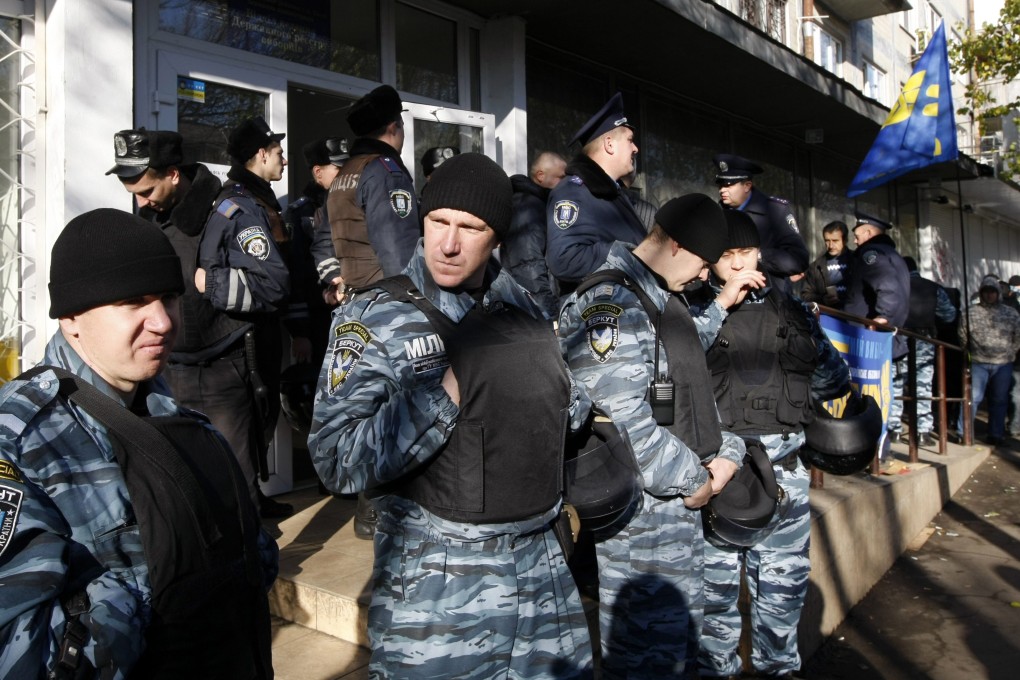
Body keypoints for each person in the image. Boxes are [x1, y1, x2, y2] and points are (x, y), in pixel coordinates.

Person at [308, 153, 594, 678]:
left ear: (498, 239)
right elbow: (336, 459)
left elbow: (565, 418)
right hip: (439, 598)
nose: (449, 242)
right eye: (438, 221)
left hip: (542, 576)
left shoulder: (527, 309)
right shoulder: (376, 317)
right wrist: (448, 391)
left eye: (471, 227)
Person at [0, 209, 277, 679]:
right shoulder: (21, 441)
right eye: (134, 301)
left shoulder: (183, 420)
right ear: (71, 317)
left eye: (169, 297)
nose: (163, 322)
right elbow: (21, 655)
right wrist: (161, 591)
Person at [558, 194, 749, 678]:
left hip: (676, 511)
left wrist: (726, 449)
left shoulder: (660, 295)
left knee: (676, 653)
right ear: (678, 245)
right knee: (646, 661)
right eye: (705, 264)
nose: (707, 276)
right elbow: (627, 425)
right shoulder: (612, 304)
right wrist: (695, 480)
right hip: (645, 524)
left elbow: (684, 394)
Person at [693, 210, 852, 680]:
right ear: (711, 261)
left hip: (783, 477)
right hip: (717, 478)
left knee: (779, 619)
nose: (740, 265)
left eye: (746, 253)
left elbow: (832, 379)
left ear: (760, 252)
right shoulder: (694, 314)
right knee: (713, 619)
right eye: (728, 256)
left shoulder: (794, 310)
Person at [108, 127, 288, 518]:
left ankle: (251, 563)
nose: (141, 203)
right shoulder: (151, 215)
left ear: (173, 174)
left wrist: (215, 283)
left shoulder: (230, 212)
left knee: (232, 480)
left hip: (222, 366)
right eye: (134, 195)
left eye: (147, 191)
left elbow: (273, 285)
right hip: (168, 367)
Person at [198, 115, 293, 517]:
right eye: (278, 152)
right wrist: (215, 286)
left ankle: (254, 498)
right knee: (250, 422)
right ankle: (248, 514)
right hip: (249, 335)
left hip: (261, 329)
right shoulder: (243, 208)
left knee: (261, 419)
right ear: (260, 154)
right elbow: (272, 282)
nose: (284, 160)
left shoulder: (257, 200)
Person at [314, 84, 421, 307]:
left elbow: (324, 239)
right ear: (394, 127)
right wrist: (413, 304)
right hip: (386, 302)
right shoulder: (386, 172)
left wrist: (336, 278)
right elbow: (398, 249)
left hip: (353, 301)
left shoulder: (346, 171)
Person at [546, 92, 647, 294]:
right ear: (609, 144)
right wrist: (633, 253)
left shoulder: (611, 192)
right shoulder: (573, 191)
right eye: (630, 140)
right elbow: (564, 259)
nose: (635, 148)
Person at [283, 136, 349, 367]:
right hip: (315, 319)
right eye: (338, 168)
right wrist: (300, 333)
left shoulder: (351, 204)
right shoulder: (300, 214)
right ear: (318, 172)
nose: (344, 174)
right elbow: (295, 273)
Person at [713, 153, 809, 285]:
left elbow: (798, 259)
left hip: (768, 295)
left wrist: (756, 257)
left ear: (747, 186)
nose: (722, 190)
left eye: (729, 185)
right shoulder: (715, 213)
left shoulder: (774, 210)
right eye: (720, 185)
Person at [890, 256, 957, 446]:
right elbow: (949, 314)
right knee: (923, 385)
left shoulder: (893, 287)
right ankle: (922, 432)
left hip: (898, 339)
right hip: (924, 340)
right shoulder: (933, 288)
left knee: (895, 383)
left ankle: (894, 429)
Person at [501, 150, 567, 318]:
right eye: (561, 177)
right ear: (540, 176)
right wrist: (550, 315)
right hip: (536, 315)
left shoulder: (539, 204)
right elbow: (528, 266)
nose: (565, 183)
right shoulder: (527, 208)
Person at [956, 275, 1020, 446]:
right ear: (981, 293)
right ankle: (964, 432)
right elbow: (962, 334)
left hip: (1003, 363)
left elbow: (1018, 335)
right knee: (973, 398)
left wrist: (1011, 352)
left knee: (999, 400)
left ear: (998, 293)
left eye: (993, 291)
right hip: (978, 362)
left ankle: (996, 433)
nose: (990, 295)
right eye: (986, 291)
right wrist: (969, 350)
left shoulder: (1010, 313)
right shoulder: (970, 312)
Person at [801, 220, 854, 308]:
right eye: (827, 241)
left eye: (835, 240)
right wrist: (822, 299)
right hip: (828, 316)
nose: (831, 245)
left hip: (855, 315)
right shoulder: (816, 266)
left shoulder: (857, 260)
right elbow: (806, 295)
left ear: (845, 240)